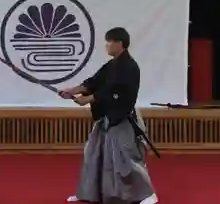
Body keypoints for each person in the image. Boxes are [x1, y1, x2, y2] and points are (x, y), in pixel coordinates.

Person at [61, 27, 158, 204]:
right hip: (106, 116)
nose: (106, 45)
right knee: (93, 155)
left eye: (109, 41)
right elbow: (94, 81)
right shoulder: (112, 65)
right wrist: (73, 90)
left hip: (122, 117)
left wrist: (88, 99)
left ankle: (147, 194)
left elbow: (114, 91)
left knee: (126, 159)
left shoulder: (129, 66)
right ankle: (90, 194)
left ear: (119, 43)